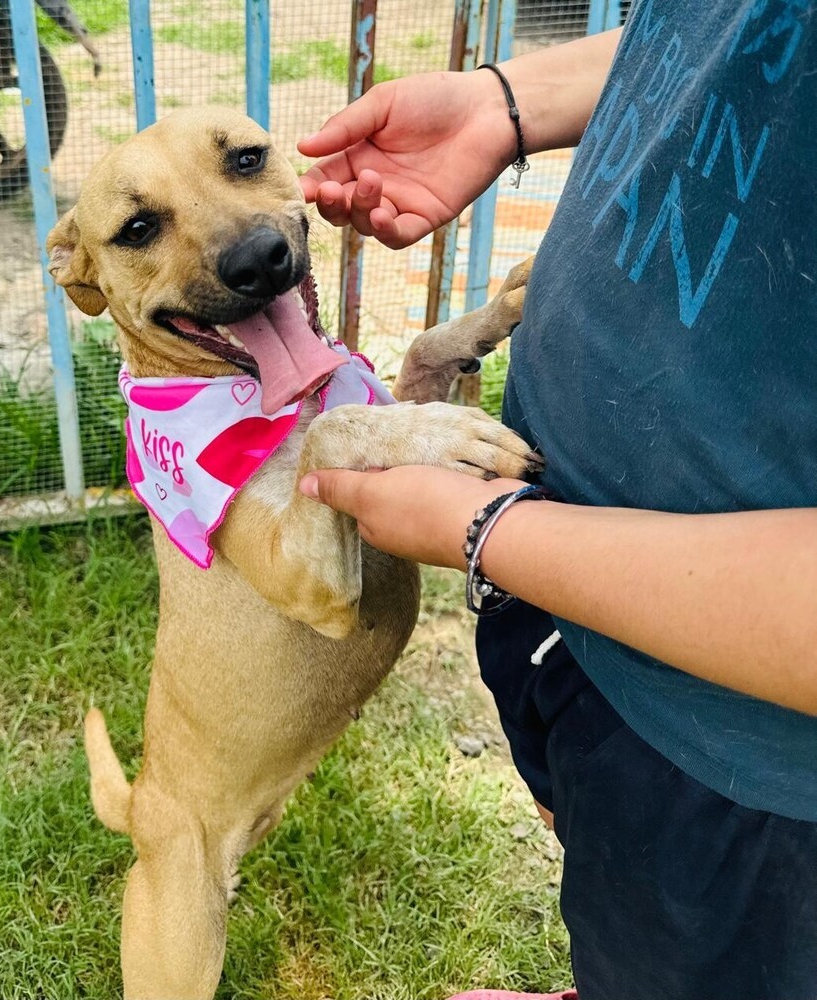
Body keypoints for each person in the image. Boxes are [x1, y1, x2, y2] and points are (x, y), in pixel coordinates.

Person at [296, 2, 817, 998]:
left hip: (737, 765)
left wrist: (488, 529)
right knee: (612, 883)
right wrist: (507, 102)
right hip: (558, 603)